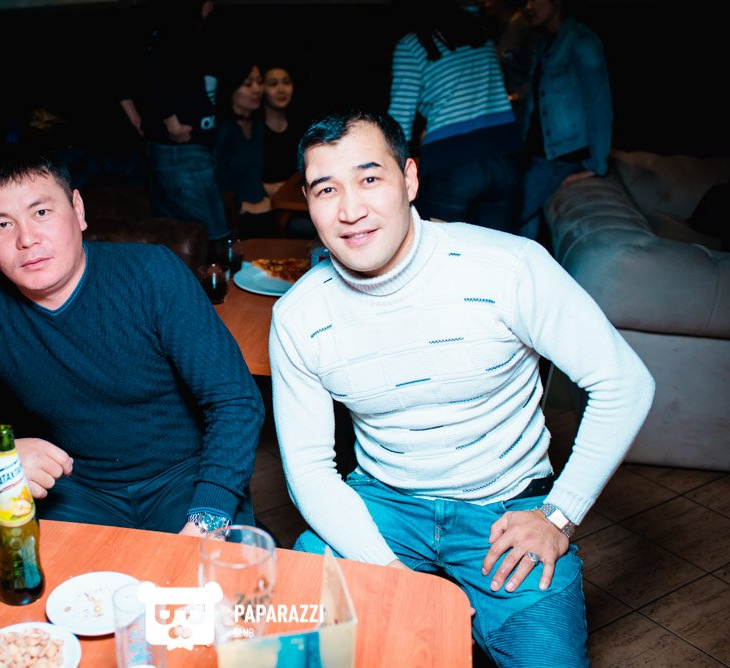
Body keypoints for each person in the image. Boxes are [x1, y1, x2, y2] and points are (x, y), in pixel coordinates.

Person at [269, 110, 654, 666]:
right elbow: (308, 468)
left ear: (410, 179)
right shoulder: (299, 315)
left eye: (369, 178)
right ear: (307, 201)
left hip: (505, 507)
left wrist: (559, 515)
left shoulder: (507, 267)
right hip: (384, 504)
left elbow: (625, 383)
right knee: (296, 643)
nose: (350, 210)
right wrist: (389, 572)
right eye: (326, 189)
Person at [0, 144, 263, 537]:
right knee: (39, 578)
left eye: (41, 212)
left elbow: (235, 400)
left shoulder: (152, 273)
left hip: (187, 477)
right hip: (78, 490)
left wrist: (209, 516)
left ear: (78, 210)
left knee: (215, 577)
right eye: (2, 224)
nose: (26, 239)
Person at [388, 0, 521, 233]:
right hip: (504, 155)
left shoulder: (411, 46)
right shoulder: (479, 32)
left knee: (444, 246)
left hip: (451, 161)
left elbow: (399, 122)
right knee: (498, 247)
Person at [118, 0, 230, 241]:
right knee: (211, 239)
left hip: (186, 151)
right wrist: (171, 122)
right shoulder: (177, 28)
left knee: (191, 237)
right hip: (180, 153)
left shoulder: (188, 30)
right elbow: (145, 73)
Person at [517, 0, 612, 240]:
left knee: (504, 219)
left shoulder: (581, 40)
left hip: (561, 157)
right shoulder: (545, 42)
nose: (528, 6)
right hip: (537, 155)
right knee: (521, 229)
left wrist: (597, 164)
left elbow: (599, 103)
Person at [213, 59, 272, 237]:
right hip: (233, 218)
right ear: (230, 89)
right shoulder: (222, 130)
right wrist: (245, 206)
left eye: (259, 82)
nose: (257, 89)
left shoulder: (257, 125)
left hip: (261, 209)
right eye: (247, 84)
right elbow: (214, 184)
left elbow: (250, 176)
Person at [261, 63, 302, 197]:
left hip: (295, 198)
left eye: (286, 82)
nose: (281, 89)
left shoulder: (300, 125)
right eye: (273, 84)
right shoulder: (254, 130)